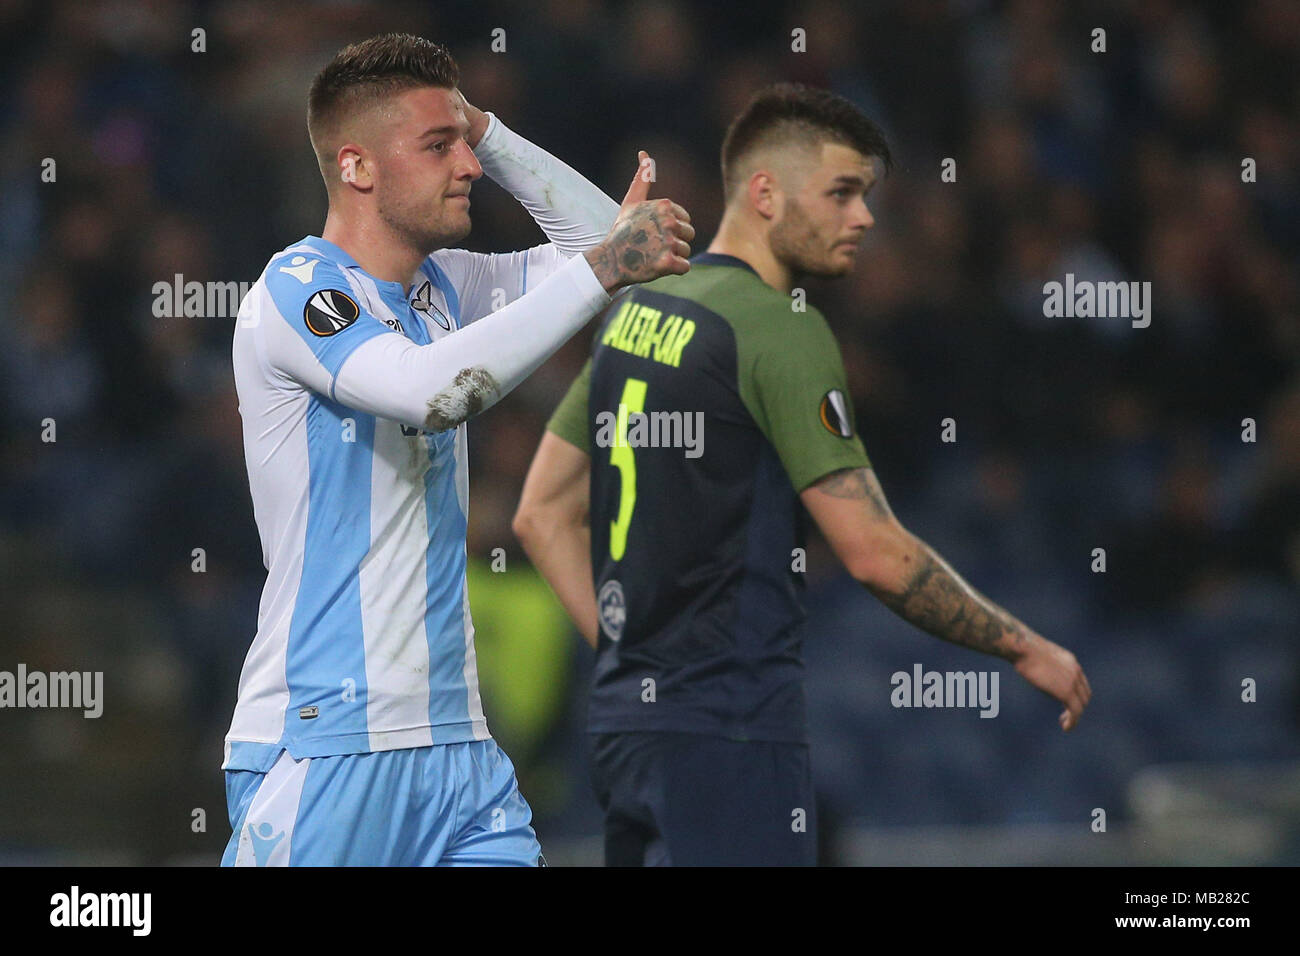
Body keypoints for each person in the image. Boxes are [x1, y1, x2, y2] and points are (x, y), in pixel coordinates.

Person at [512, 83, 1090, 866]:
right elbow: (875, 553)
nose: (865, 218)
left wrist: (631, 665)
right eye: (843, 193)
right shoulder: (780, 329)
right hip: (731, 731)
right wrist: (1024, 648)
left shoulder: (639, 309)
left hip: (629, 732)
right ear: (765, 193)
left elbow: (540, 515)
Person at [221, 32, 693, 866]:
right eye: (439, 146)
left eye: (464, 144)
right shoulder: (296, 291)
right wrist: (606, 266)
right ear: (358, 166)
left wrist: (489, 130)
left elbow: (615, 243)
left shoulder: (447, 288)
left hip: (462, 749)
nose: (467, 166)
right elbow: (430, 393)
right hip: (330, 738)